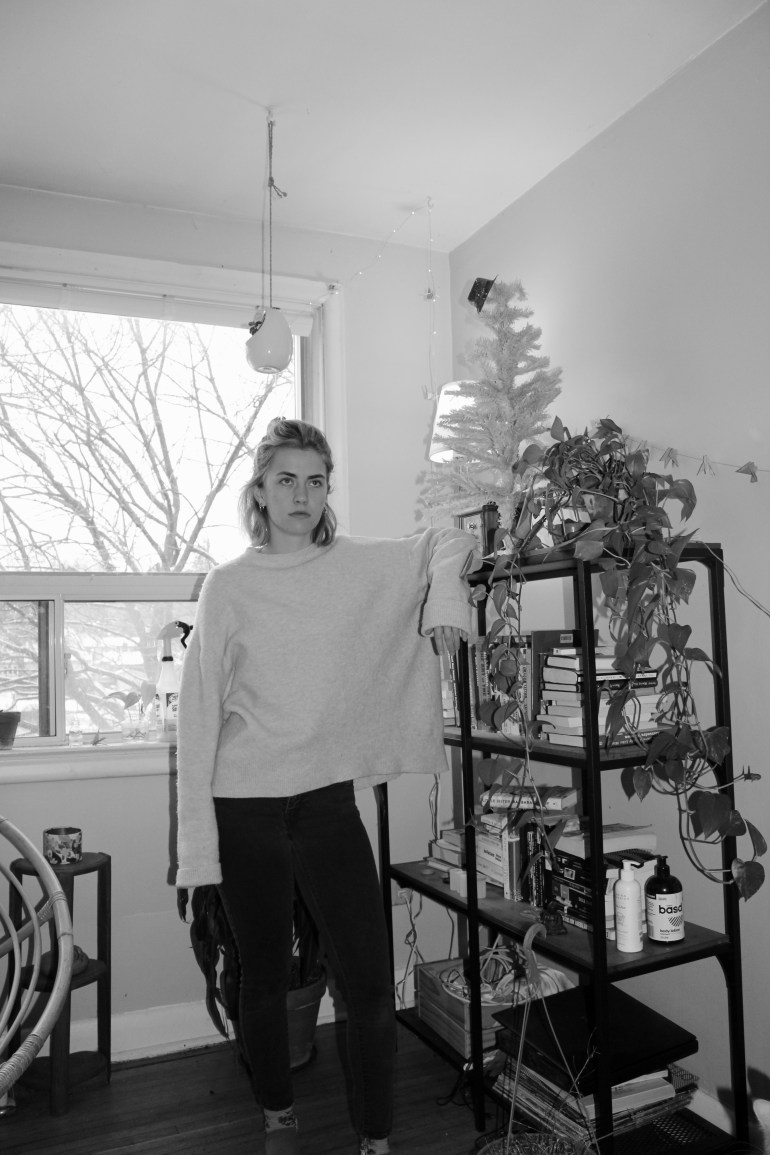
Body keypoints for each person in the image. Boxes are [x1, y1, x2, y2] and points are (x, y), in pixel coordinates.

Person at [175, 417, 474, 1154]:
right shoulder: (228, 586)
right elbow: (200, 713)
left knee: (369, 984)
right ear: (259, 490)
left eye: (316, 481)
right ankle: (278, 1118)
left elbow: (448, 537)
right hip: (244, 805)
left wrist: (445, 603)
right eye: (286, 480)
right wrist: (199, 846)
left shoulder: (357, 564)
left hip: (326, 805)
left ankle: (376, 1137)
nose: (302, 495)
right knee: (263, 979)